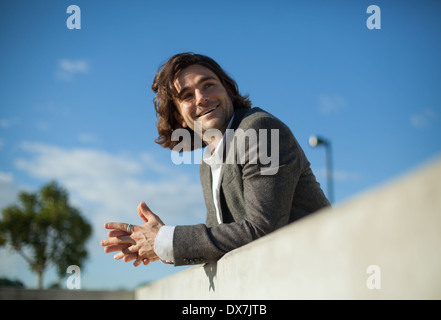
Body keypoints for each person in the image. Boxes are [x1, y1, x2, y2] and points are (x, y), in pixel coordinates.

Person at [100, 52, 330, 267]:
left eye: (208, 85)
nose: (201, 98)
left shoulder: (261, 130)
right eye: (187, 95)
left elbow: (263, 229)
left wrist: (165, 241)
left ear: (228, 91)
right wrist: (157, 245)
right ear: (179, 117)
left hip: (322, 272)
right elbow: (221, 240)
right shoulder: (207, 163)